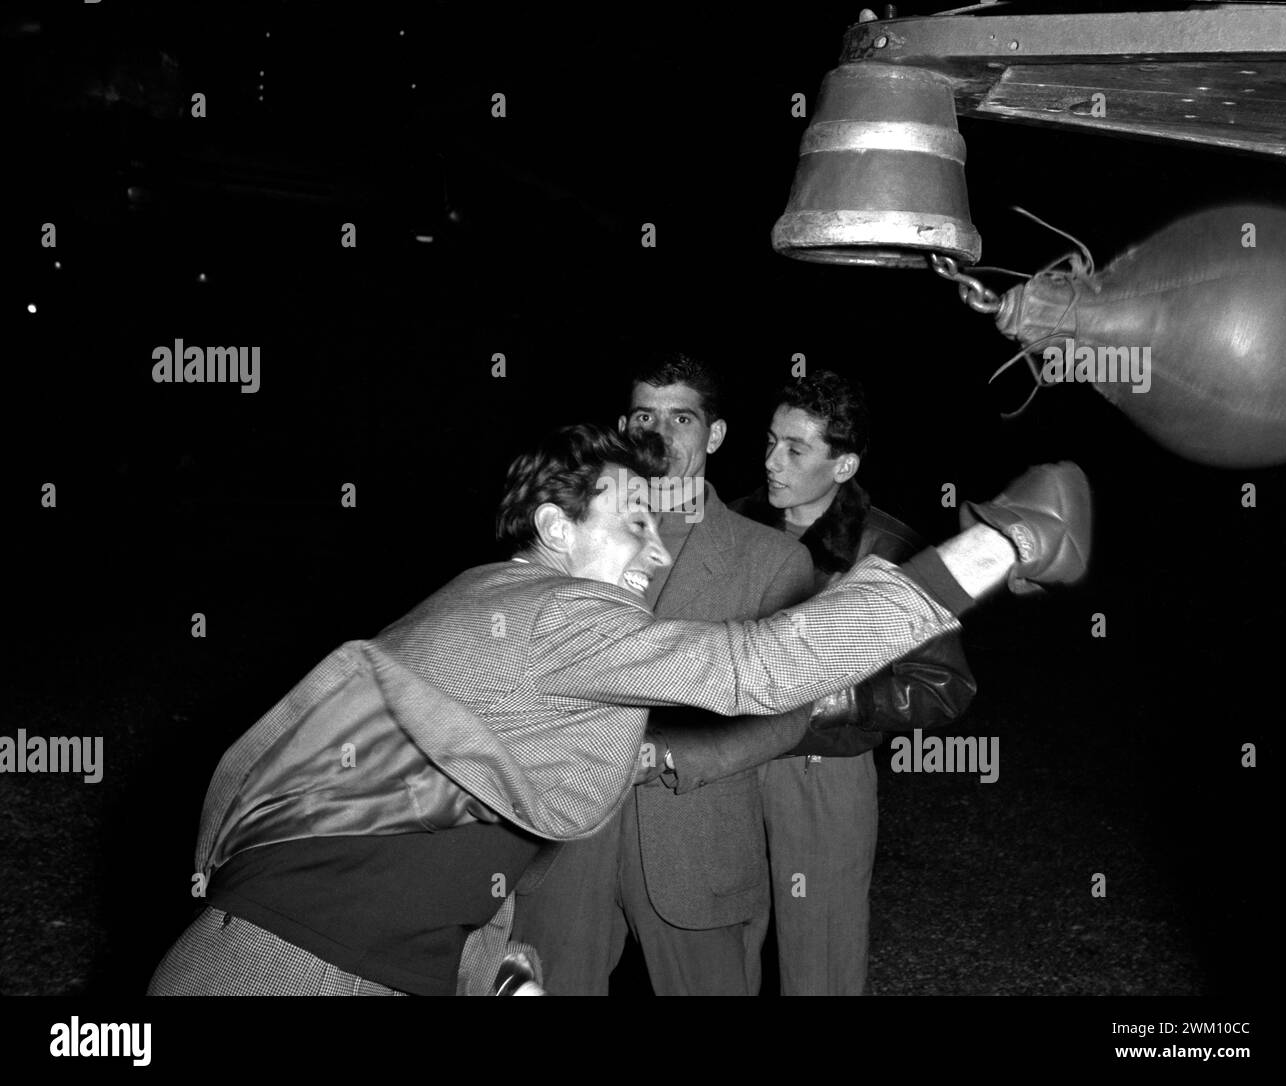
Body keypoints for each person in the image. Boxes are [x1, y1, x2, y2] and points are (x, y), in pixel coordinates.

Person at [147, 422, 1089, 996]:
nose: (653, 550)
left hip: (348, 958)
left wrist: (494, 970)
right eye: (632, 523)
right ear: (554, 529)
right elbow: (756, 670)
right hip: (289, 968)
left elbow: (443, 828)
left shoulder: (491, 602)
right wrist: (997, 547)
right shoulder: (551, 612)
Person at [513, 353, 817, 996]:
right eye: (644, 414)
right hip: (567, 834)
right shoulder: (569, 534)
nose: (659, 431)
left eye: (682, 416)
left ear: (716, 435)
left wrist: (671, 754)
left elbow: (787, 713)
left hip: (693, 835)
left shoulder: (772, 557)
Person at [731, 368, 976, 995]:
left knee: (822, 963)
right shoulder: (733, 525)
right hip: (726, 767)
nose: (772, 462)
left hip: (820, 776)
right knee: (723, 954)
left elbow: (946, 686)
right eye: (769, 441)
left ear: (844, 465)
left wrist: (842, 701)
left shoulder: (887, 551)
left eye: (795, 449)